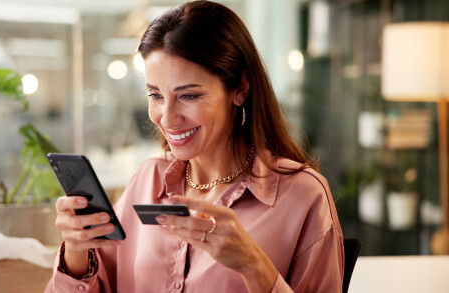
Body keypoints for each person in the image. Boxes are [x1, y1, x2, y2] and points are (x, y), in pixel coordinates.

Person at [46, 1, 344, 292]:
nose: (168, 117)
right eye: (155, 95)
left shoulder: (303, 196)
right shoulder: (147, 180)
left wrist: (253, 265)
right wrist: (76, 250)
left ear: (240, 88)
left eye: (188, 96)